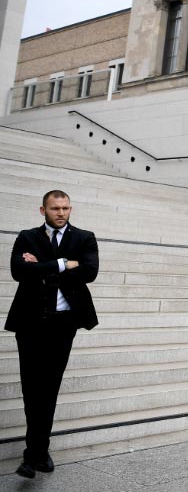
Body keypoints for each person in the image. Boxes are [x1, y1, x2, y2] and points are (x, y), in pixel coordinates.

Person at [6, 190, 99, 479]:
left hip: (63, 324)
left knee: (49, 387)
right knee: (31, 387)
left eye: (66, 208)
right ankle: (38, 453)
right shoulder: (27, 236)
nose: (61, 212)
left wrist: (41, 267)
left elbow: (90, 272)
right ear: (42, 210)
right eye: (55, 208)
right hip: (30, 323)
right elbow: (18, 271)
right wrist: (62, 264)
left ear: (71, 209)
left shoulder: (84, 237)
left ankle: (33, 454)